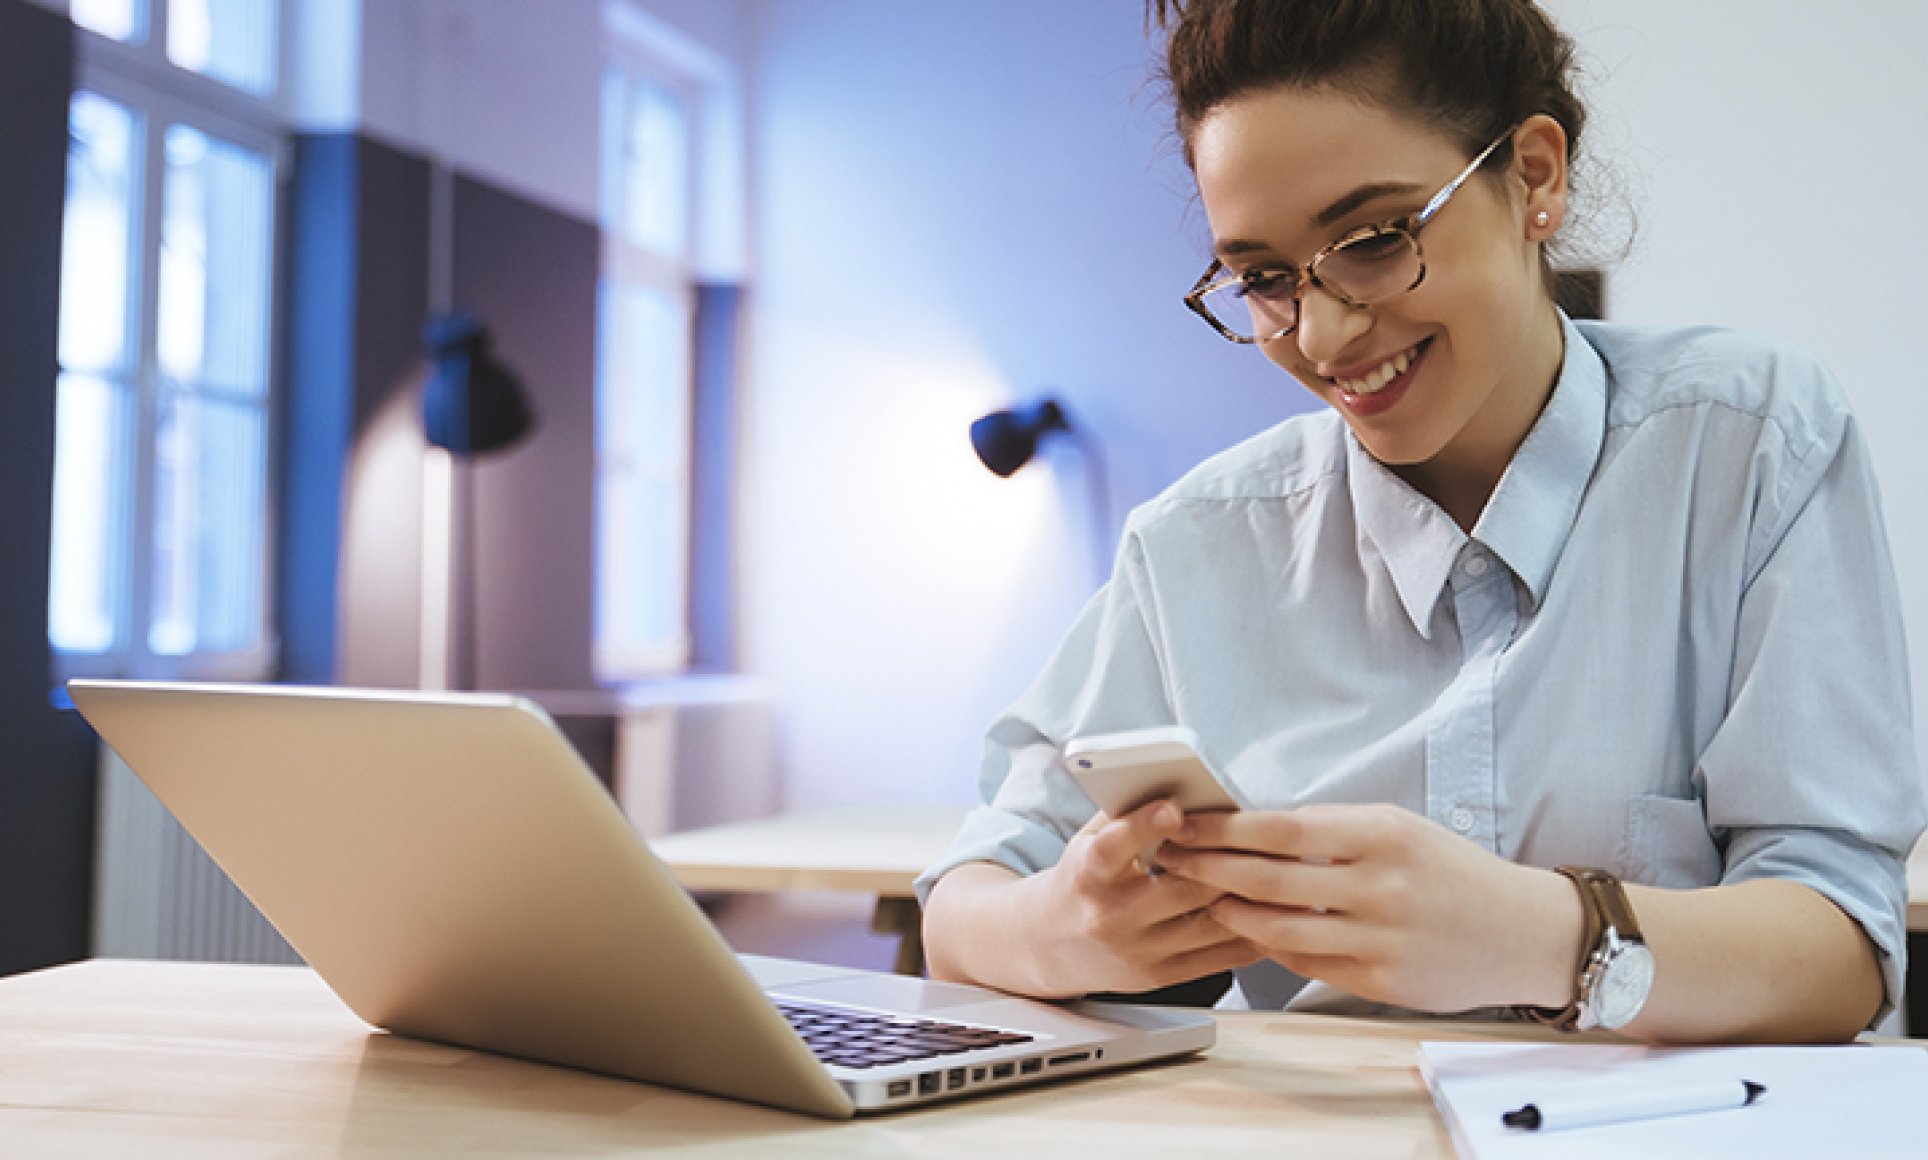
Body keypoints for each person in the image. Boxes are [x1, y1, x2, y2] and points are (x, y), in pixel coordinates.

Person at [915, 0, 1925, 1044]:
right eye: (1262, 278)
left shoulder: (1746, 441)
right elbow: (961, 905)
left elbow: (1844, 946)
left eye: (1369, 239)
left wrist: (1539, 930)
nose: (1320, 331)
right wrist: (1066, 926)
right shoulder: (1198, 544)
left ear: (1533, 175)